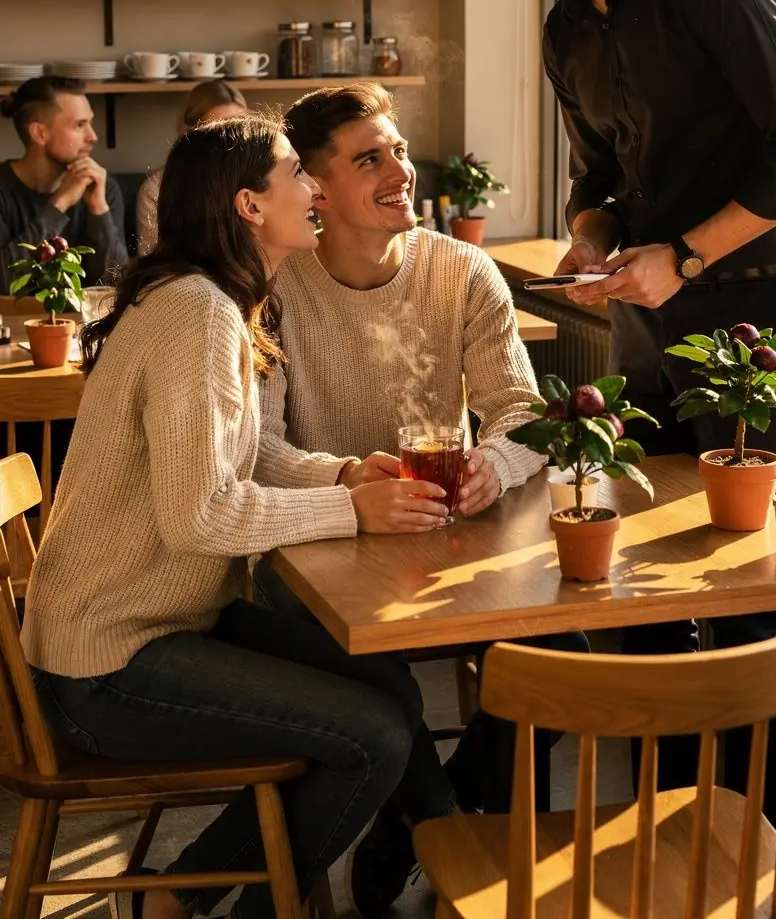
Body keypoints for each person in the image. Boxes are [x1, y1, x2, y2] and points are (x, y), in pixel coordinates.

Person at [429, 0, 776, 819]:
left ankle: (770, 846)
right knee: (630, 580)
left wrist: (684, 255)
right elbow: (598, 177)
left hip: (750, 325)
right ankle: (683, 811)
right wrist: (592, 236)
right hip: (643, 326)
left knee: (752, 596)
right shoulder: (567, 28)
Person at [21, 110, 458, 919]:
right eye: (298, 172)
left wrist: (344, 473)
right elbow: (204, 517)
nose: (316, 186)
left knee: (386, 690)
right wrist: (352, 512)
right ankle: (185, 900)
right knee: (376, 735)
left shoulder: (213, 299)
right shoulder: (198, 313)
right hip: (110, 660)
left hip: (163, 620)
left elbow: (241, 458)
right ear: (251, 207)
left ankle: (215, 893)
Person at [252, 81, 588, 912]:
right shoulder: (277, 287)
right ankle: (445, 836)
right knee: (381, 694)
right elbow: (256, 448)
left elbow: (520, 413)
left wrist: (496, 467)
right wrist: (342, 480)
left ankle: (411, 830)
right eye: (370, 158)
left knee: (562, 657)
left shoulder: (462, 269)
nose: (399, 169)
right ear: (315, 188)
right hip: (313, 554)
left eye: (398, 150)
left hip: (445, 543)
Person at [0, 75, 127, 291]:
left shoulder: (103, 188)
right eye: (79, 125)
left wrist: (99, 211)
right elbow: (4, 282)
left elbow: (116, 284)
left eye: (91, 124)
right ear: (40, 133)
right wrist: (59, 205)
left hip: (86, 323)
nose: (93, 136)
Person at [136, 79, 247, 254]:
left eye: (239, 129)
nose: (231, 142)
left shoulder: (258, 181)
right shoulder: (157, 189)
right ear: (189, 133)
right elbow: (152, 258)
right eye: (217, 132)